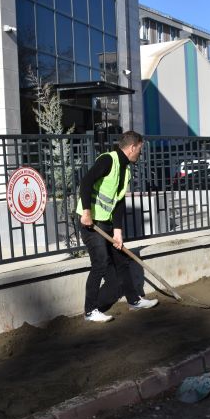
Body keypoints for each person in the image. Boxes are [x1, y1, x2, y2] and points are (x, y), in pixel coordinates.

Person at [77, 130, 158, 323]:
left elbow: (119, 202)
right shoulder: (108, 160)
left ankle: (134, 300)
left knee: (121, 261)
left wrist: (118, 232)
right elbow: (86, 182)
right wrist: (87, 212)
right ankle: (90, 311)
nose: (140, 152)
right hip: (90, 223)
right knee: (100, 262)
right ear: (132, 147)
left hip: (107, 223)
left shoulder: (126, 169)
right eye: (140, 148)